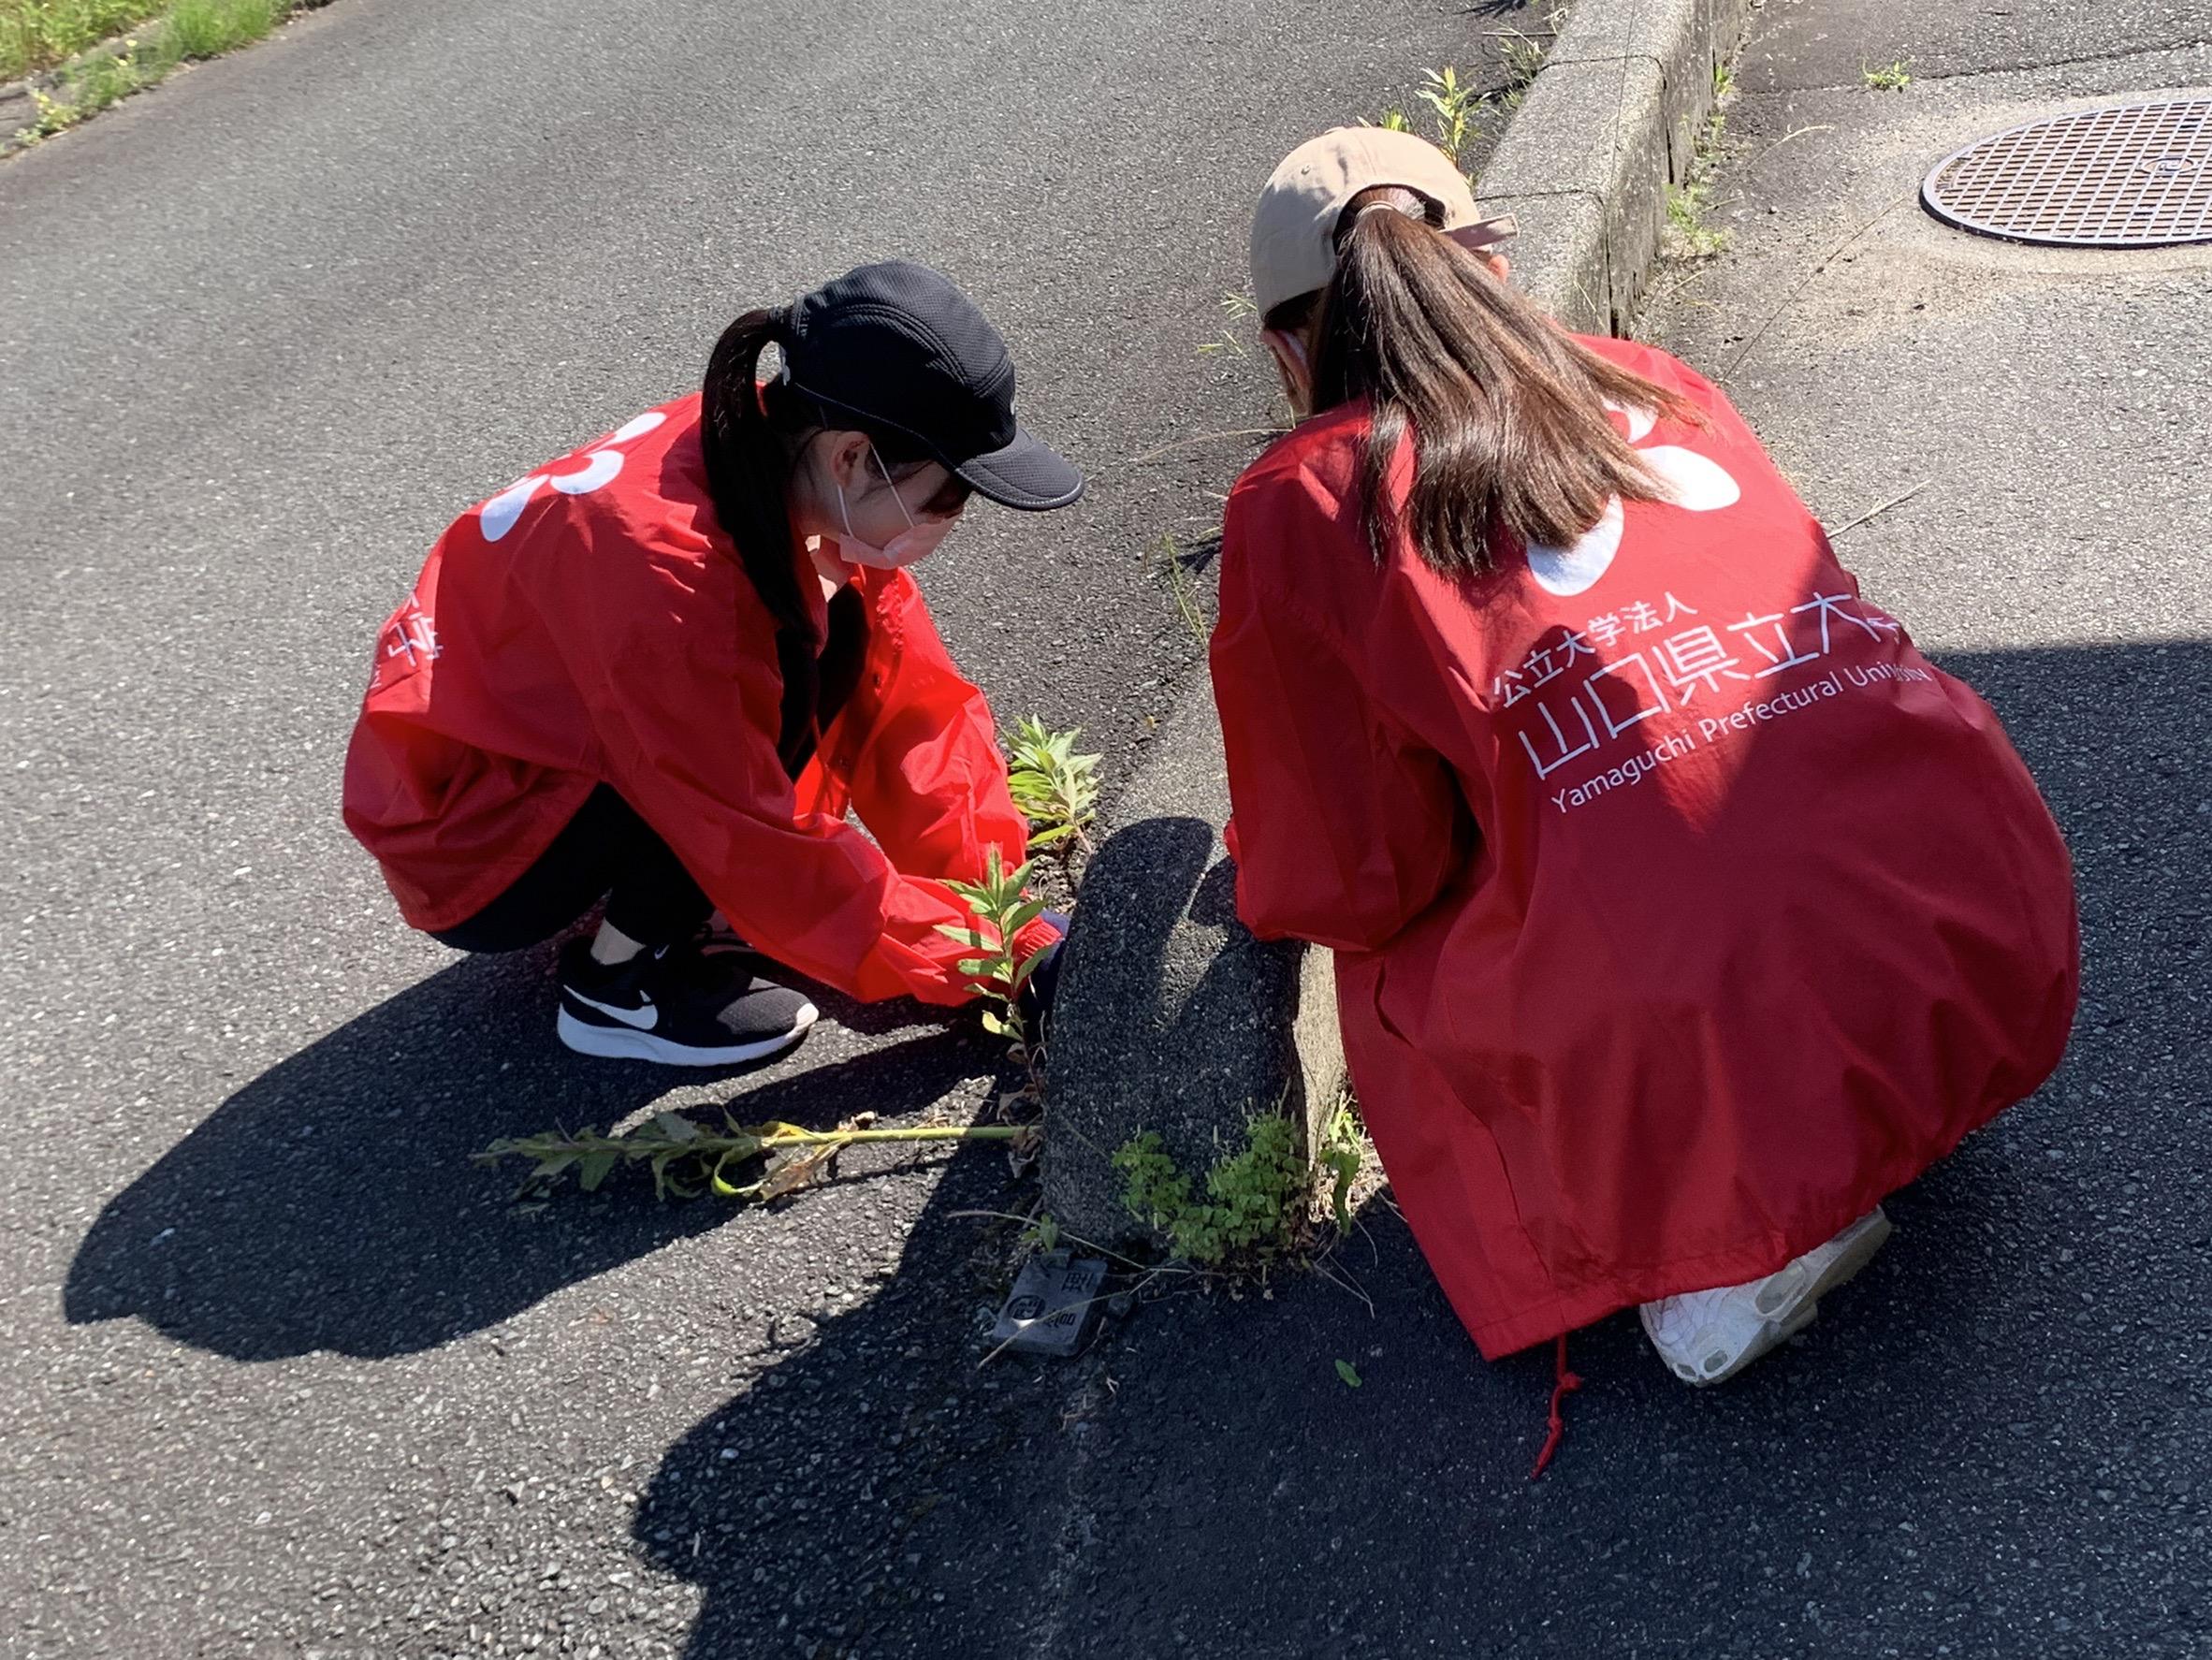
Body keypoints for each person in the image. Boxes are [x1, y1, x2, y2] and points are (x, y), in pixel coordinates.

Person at [1210, 130, 2078, 1389]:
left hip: (1710, 1016)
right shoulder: (1652, 378)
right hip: (1987, 920)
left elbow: (1353, 874)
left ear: (1288, 348)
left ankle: (1722, 1241)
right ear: (1495, 268)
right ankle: (1880, 1102)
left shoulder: (1303, 499)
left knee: (1400, 959)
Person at [344, 262, 1077, 1067]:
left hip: (526, 739)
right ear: (854, 458)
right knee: (775, 689)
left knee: (838, 637)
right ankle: (615, 989)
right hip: (469, 838)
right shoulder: (674, 582)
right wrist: (983, 958)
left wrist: (1001, 912)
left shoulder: (765, 445)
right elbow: (748, 835)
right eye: (948, 497)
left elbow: (910, 704)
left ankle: (676, 911)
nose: (952, 520)